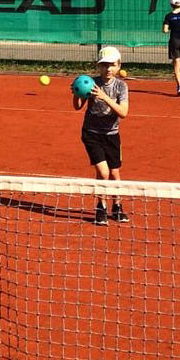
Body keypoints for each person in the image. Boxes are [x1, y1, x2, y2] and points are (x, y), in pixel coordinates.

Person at [73, 46, 130, 226]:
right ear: (99, 67)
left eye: (112, 65)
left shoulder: (121, 86)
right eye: (104, 65)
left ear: (118, 65)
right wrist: (76, 93)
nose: (108, 69)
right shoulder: (91, 83)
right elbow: (77, 106)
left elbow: (123, 113)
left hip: (112, 135)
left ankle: (117, 206)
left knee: (115, 173)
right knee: (103, 172)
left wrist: (104, 97)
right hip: (91, 134)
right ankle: (101, 207)